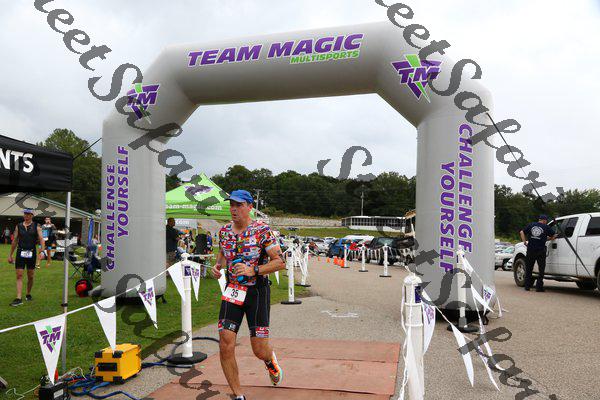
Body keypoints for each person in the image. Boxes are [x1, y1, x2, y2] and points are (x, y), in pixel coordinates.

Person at [211, 190, 285, 400]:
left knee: (259, 349)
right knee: (225, 342)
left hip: (257, 292)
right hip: (233, 290)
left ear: (250, 207)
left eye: (239, 205)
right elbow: (223, 254)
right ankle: (238, 395)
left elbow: (280, 262)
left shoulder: (262, 231)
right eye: (231, 205)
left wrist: (254, 270)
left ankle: (269, 360)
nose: (233, 209)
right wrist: (218, 267)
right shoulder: (224, 231)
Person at [7, 209, 45, 306]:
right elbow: (15, 240)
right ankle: (18, 298)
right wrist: (10, 255)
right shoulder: (18, 226)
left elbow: (41, 239)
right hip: (20, 252)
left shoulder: (37, 226)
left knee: (30, 276)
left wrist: (42, 251)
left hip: (31, 252)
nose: (26, 216)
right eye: (25, 214)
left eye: (28, 214)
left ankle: (28, 293)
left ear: (32, 215)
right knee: (19, 275)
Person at [520, 214, 558, 292]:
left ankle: (527, 286)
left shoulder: (531, 225)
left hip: (530, 250)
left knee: (529, 268)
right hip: (540, 251)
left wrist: (524, 242)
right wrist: (547, 238)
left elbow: (521, 232)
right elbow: (554, 235)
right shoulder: (546, 227)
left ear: (539, 219)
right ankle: (539, 287)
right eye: (546, 221)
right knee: (541, 269)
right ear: (544, 220)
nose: (546, 222)